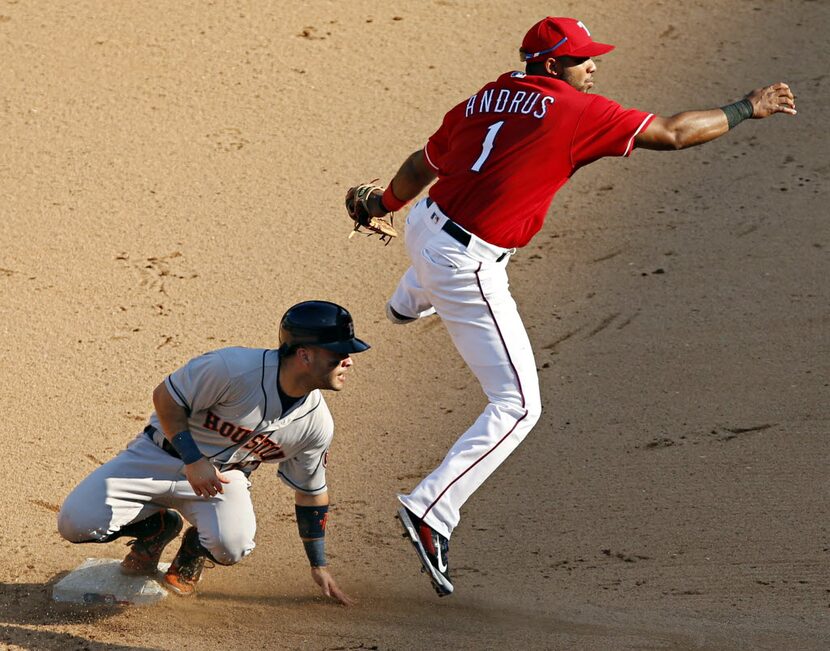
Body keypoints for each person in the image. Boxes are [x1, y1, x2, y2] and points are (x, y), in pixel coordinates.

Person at [351, 16, 796, 597]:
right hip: (466, 265)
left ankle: (408, 302)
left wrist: (381, 202)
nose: (595, 66)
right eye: (584, 59)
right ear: (555, 65)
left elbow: (421, 164)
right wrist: (744, 108)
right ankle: (430, 509)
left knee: (436, 262)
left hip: (423, 223)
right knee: (518, 405)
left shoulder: (490, 93)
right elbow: (675, 133)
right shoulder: (577, 111)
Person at [58, 301, 369, 604]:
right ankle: (157, 528)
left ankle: (193, 550)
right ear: (304, 354)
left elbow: (311, 493)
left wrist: (319, 566)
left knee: (233, 546)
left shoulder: (316, 424)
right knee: (75, 522)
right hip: (153, 458)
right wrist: (193, 459)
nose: (349, 361)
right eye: (339, 354)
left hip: (222, 480)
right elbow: (165, 398)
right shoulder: (232, 369)